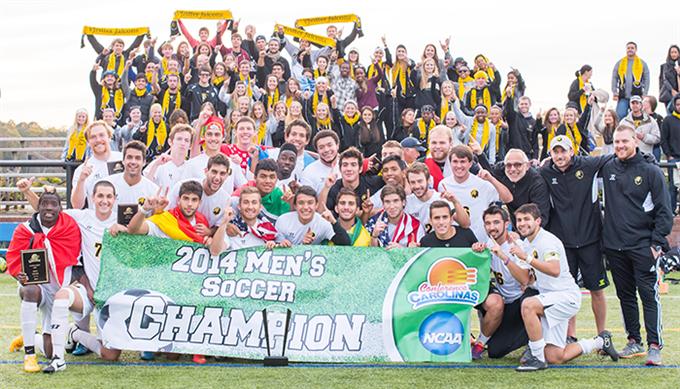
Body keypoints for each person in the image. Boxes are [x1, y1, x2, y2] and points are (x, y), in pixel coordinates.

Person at [512, 204, 618, 371]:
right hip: (551, 299)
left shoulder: (547, 241)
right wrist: (503, 256)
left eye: (527, 219)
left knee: (528, 305)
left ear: (538, 221)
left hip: (565, 297)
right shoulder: (526, 243)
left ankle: (537, 358)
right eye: (519, 220)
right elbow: (525, 279)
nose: (522, 223)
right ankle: (600, 341)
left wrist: (526, 258)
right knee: (555, 356)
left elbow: (554, 270)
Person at [601, 125, 673, 365]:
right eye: (617, 142)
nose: (620, 145)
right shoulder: (608, 166)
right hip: (614, 245)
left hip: (643, 245)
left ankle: (654, 345)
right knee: (625, 296)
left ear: (635, 141)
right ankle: (634, 341)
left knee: (648, 295)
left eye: (625, 141)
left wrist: (656, 244)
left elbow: (665, 211)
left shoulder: (651, 170)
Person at [539, 135, 613, 341]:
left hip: (590, 240)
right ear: (550, 154)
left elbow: (612, 157)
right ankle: (569, 336)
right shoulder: (545, 172)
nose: (560, 155)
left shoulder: (587, 164)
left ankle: (601, 336)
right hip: (563, 245)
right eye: (556, 151)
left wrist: (644, 157)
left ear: (572, 151)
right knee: (566, 293)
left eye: (564, 150)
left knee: (596, 289)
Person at [40, 181, 120, 372]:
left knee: (110, 355)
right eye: (100, 196)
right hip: (87, 290)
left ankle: (74, 333)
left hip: (110, 297)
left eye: (109, 196)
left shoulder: (122, 222)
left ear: (115, 199)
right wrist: (28, 192)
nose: (104, 200)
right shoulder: (82, 217)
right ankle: (58, 359)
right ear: (93, 198)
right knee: (61, 296)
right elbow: (47, 213)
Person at [6, 189, 81, 372]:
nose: (49, 208)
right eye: (44, 204)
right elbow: (13, 259)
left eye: (53, 204)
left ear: (60, 208)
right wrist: (20, 276)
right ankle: (29, 356)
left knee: (49, 352)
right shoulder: (25, 230)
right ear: (38, 206)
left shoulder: (69, 227)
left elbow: (76, 257)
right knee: (30, 290)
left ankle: (29, 338)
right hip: (35, 286)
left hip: (59, 290)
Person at [469, 206, 536, 360]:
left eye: (496, 222)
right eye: (488, 223)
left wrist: (504, 257)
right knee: (495, 351)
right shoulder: (488, 244)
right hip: (506, 304)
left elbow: (525, 279)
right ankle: (483, 341)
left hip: (522, 302)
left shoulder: (517, 245)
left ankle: (534, 341)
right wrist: (476, 252)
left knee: (530, 302)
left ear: (506, 224)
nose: (492, 227)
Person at [437, 145, 513, 241]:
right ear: (450, 163)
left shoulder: (481, 184)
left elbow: (508, 198)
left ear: (470, 163)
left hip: (480, 239)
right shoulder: (443, 185)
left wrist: (491, 179)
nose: (459, 166)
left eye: (463, 162)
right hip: (456, 241)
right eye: (455, 161)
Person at [474, 145, 550, 226]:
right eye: (509, 165)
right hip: (515, 222)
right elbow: (490, 172)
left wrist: (521, 235)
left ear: (527, 166)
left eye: (518, 165)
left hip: (533, 228)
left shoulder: (537, 183)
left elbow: (541, 217)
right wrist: (480, 154)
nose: (512, 169)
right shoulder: (502, 170)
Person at [71, 121, 123, 209]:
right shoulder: (81, 170)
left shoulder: (124, 159)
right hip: (99, 221)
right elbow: (77, 206)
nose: (98, 140)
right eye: (93, 137)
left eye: (101, 135)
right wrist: (81, 180)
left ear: (109, 137)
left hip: (124, 221)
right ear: (88, 142)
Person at [405, 162, 470, 233]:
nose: (417, 186)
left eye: (420, 181)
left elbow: (465, 224)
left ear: (428, 180)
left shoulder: (441, 199)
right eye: (413, 182)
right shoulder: (407, 202)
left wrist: (455, 202)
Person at [275, 186, 350, 246]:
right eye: (301, 203)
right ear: (295, 206)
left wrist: (333, 221)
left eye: (310, 203)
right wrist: (282, 245)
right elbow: (276, 250)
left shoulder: (323, 223)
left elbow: (345, 243)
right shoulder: (283, 220)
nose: (306, 207)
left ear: (316, 205)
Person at [366, 185, 424, 249]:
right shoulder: (373, 222)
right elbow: (370, 254)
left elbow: (421, 255)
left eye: (395, 201)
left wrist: (404, 250)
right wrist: (374, 236)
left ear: (403, 202)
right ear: (383, 204)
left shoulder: (415, 226)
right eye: (387, 202)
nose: (392, 206)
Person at [144, 124, 193, 189]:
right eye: (179, 139)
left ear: (190, 146)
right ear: (170, 142)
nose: (182, 143)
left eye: (186, 140)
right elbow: (145, 187)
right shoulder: (158, 163)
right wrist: (155, 165)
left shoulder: (191, 168)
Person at [611, 42, 650, 119]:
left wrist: (645, 93)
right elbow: (614, 78)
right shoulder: (620, 63)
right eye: (628, 48)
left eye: (632, 48)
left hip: (637, 96)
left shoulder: (642, 63)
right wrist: (614, 92)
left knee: (638, 117)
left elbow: (647, 79)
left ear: (636, 49)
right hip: (623, 96)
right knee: (620, 115)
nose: (630, 50)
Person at [300, 130, 340, 194]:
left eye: (329, 145)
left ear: (337, 146)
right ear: (317, 150)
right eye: (321, 147)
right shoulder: (309, 171)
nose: (326, 150)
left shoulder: (347, 167)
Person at [661, 95, 680, 212]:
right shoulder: (668, 120)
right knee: (673, 186)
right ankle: (671, 211)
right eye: (678, 104)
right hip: (674, 159)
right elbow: (664, 139)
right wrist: (669, 155)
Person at [659, 45, 680, 113]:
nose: (673, 54)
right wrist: (672, 90)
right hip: (668, 94)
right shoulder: (665, 66)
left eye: (675, 52)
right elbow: (664, 80)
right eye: (672, 52)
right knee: (669, 110)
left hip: (678, 92)